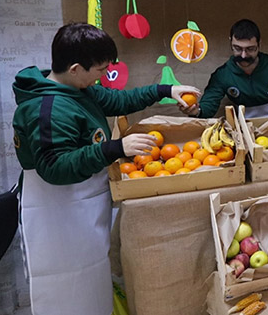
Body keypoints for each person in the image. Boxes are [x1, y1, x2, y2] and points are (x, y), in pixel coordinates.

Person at [12, 23, 200, 315]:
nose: (103, 76)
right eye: (100, 70)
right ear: (76, 69)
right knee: (66, 292)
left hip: (81, 207)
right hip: (56, 212)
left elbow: (117, 100)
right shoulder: (47, 108)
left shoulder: (77, 88)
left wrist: (166, 90)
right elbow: (54, 167)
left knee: (91, 284)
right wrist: (115, 148)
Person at [180, 19, 268, 118]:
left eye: (250, 49)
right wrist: (196, 111)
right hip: (243, 131)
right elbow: (208, 106)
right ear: (230, 42)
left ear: (259, 44)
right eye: (238, 48)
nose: (244, 55)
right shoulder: (222, 75)